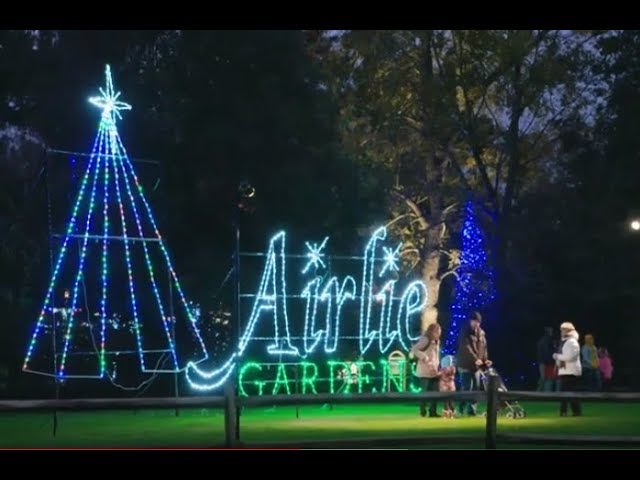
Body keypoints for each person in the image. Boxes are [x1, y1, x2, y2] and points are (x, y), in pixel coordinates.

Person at [456, 311, 491, 417]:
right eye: (474, 321)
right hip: (465, 364)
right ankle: (461, 409)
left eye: (478, 322)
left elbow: (483, 348)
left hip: (477, 366)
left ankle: (471, 411)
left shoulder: (481, 333)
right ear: (470, 321)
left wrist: (485, 360)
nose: (476, 324)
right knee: (467, 388)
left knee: (476, 387)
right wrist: (475, 359)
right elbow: (466, 348)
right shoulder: (465, 332)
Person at [411, 322, 442, 417]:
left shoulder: (437, 341)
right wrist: (424, 357)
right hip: (425, 371)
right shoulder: (425, 339)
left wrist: (438, 366)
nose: (439, 333)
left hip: (434, 370)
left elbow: (436, 355)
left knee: (435, 392)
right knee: (424, 393)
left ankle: (433, 412)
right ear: (433, 332)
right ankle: (423, 411)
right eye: (438, 331)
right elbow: (414, 349)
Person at [553, 322, 582, 417]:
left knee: (568, 393)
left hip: (571, 371)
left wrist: (557, 356)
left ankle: (565, 412)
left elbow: (570, 357)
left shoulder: (572, 342)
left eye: (562, 330)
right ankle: (572, 412)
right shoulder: (566, 341)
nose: (561, 332)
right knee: (569, 393)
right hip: (566, 371)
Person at [536, 326, 558, 391]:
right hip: (544, 362)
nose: (552, 332)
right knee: (544, 378)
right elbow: (546, 353)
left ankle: (538, 393)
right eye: (551, 331)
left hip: (543, 362)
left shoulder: (544, 340)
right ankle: (537, 393)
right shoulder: (547, 341)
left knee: (544, 378)